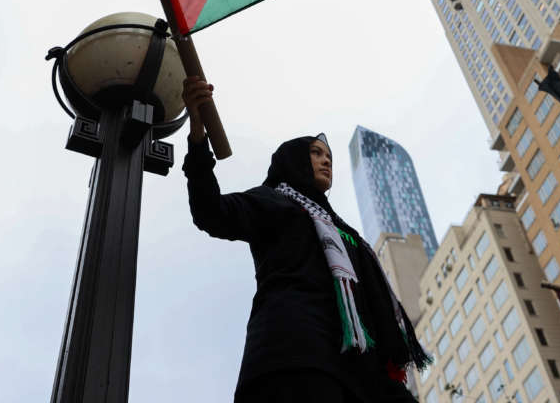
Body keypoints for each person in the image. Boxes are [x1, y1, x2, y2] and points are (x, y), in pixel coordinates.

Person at [181, 76, 429, 403]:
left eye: (328, 155)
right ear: (293, 160)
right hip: (297, 355)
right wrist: (198, 133)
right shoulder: (275, 201)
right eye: (315, 153)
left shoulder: (345, 233)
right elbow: (210, 211)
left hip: (361, 369)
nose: (326, 160)